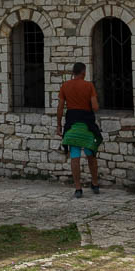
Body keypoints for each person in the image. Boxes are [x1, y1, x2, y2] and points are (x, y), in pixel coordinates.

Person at [56, 62, 102, 198]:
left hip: (72, 125)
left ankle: (78, 188)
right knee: (91, 154)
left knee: (74, 155)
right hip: (87, 125)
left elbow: (60, 108)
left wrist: (59, 125)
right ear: (83, 72)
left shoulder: (65, 86)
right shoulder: (89, 86)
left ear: (73, 72)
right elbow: (95, 107)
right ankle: (95, 183)